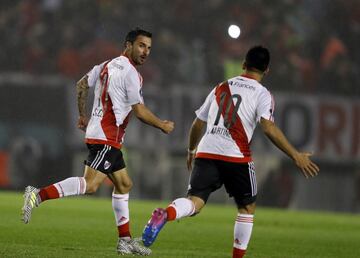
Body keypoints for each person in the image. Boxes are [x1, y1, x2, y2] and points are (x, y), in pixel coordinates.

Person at [142, 46, 319, 258]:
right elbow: (268, 127)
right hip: (236, 156)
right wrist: (295, 155)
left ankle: (166, 213)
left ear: (244, 64)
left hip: (206, 152)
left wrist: (191, 150)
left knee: (195, 202)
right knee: (246, 208)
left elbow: (199, 122)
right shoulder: (263, 94)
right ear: (267, 70)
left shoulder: (221, 87)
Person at [21, 27, 174, 256]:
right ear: (128, 44)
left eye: (149, 48)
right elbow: (140, 111)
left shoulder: (105, 65)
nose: (146, 52)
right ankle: (37, 194)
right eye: (141, 46)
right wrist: (162, 125)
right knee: (91, 185)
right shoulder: (131, 73)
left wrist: (82, 115)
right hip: (107, 138)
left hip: (98, 133)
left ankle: (124, 241)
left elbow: (81, 84)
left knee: (124, 184)